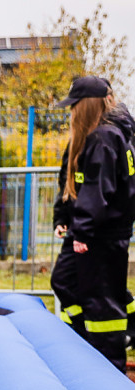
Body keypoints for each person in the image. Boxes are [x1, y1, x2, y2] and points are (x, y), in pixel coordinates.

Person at [49, 76, 135, 372]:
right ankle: (86, 337)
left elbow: (99, 189)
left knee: (102, 302)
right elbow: (71, 182)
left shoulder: (104, 138)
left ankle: (111, 364)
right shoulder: (88, 137)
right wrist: (63, 218)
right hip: (89, 230)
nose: (70, 111)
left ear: (85, 107)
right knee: (66, 281)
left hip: (100, 234)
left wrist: (82, 231)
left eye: (74, 106)